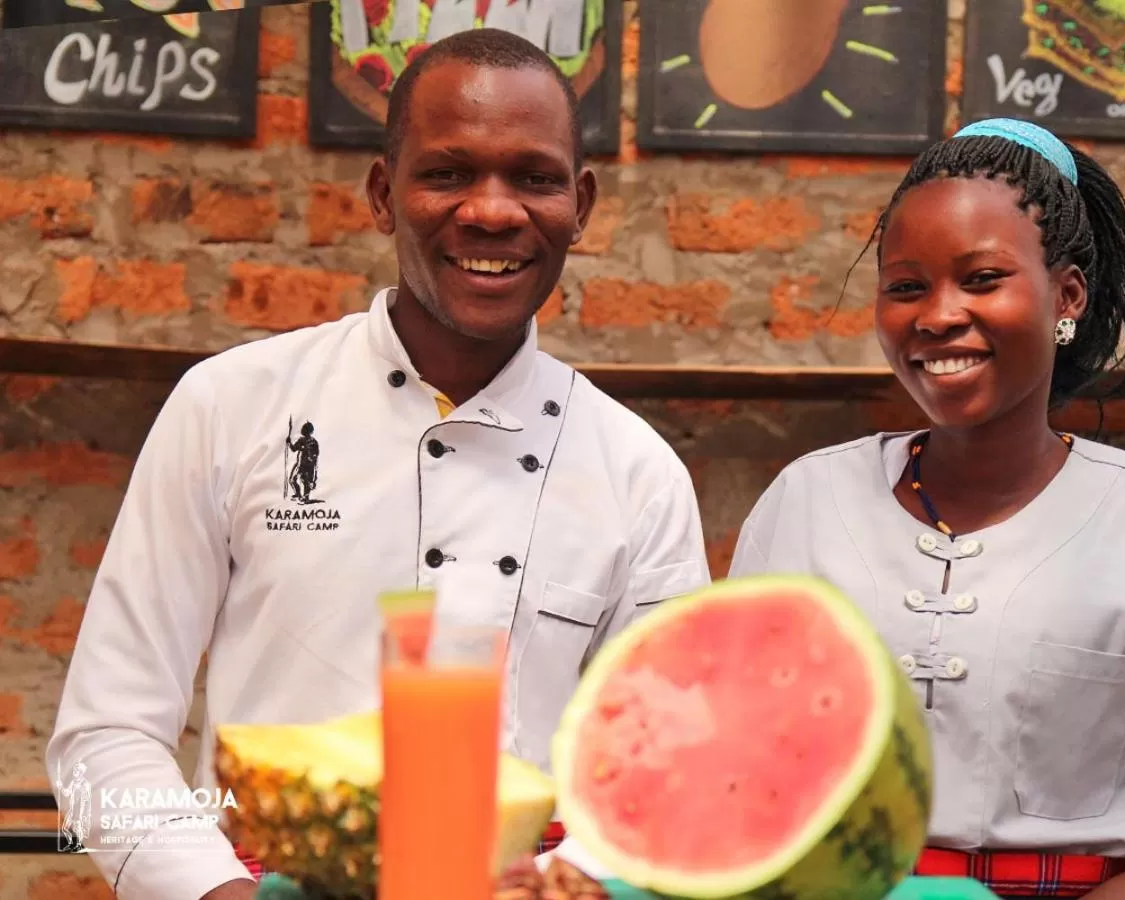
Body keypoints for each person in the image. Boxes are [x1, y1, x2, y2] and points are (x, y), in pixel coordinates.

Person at [46, 28, 710, 900]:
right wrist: (218, 894)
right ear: (382, 193)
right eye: (447, 172)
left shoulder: (639, 473)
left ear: (579, 205)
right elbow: (102, 736)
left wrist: (569, 881)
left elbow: (662, 764)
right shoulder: (229, 406)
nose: (493, 210)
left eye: (534, 178)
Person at [728, 118, 1125, 899]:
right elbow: (730, 780)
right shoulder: (806, 501)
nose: (937, 315)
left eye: (982, 278)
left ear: (1067, 295)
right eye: (906, 286)